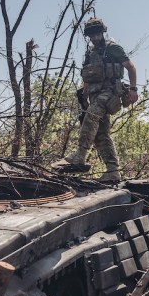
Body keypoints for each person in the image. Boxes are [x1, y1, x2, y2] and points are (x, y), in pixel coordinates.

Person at [52, 17, 138, 182]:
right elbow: (88, 75)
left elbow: (130, 67)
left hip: (110, 93)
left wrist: (133, 89)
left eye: (97, 33)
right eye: (91, 34)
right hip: (94, 94)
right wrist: (84, 92)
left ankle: (80, 155)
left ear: (102, 32)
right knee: (101, 133)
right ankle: (113, 171)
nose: (95, 37)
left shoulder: (113, 48)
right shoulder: (90, 53)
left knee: (92, 115)